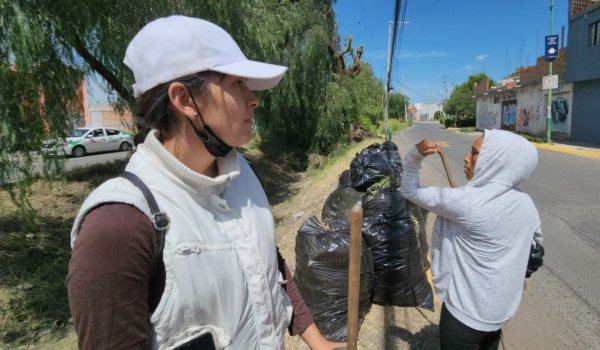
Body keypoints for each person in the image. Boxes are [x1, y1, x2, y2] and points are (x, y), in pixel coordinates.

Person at [67, 15, 344, 350]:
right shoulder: (119, 226)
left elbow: (268, 261)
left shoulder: (241, 174)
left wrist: (317, 341)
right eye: (237, 84)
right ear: (185, 100)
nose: (253, 98)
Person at [400, 130, 543, 350]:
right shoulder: (525, 202)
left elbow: (409, 189)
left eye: (475, 154)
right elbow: (535, 249)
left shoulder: (467, 203)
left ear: (497, 161)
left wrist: (415, 155)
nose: (466, 158)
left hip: (464, 317)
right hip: (501, 312)